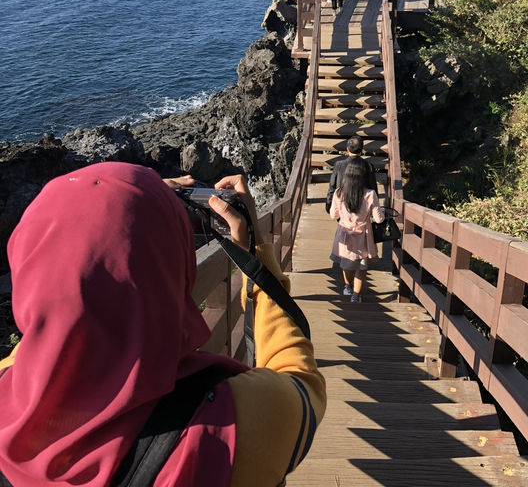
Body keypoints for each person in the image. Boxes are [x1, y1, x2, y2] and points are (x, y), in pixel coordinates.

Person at [0, 162, 326, 486]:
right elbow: (301, 383)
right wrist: (251, 253)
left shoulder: (6, 387)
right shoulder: (230, 422)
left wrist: (136, 198)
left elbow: (60, 314)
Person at [329, 157, 385, 303]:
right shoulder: (370, 194)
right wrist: (383, 212)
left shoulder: (338, 193)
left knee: (346, 262)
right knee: (361, 267)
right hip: (363, 236)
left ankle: (347, 287)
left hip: (344, 234)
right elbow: (379, 219)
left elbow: (333, 215)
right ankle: (356, 296)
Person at [325, 135, 377, 213]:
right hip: (362, 209)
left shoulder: (339, 165)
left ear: (347, 149)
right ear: (362, 150)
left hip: (342, 207)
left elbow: (332, 187)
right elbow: (373, 188)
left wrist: (329, 206)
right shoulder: (369, 166)